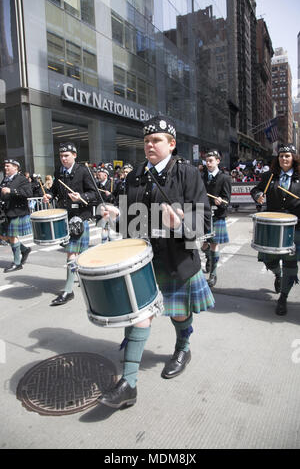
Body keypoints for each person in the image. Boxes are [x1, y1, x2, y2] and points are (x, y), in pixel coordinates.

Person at [96, 115, 215, 409]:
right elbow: (130, 222)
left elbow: (204, 219)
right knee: (139, 316)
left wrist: (182, 221)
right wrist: (116, 217)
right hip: (143, 260)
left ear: (171, 144)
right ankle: (129, 385)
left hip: (177, 258)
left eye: (157, 140)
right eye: (146, 140)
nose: (150, 145)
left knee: (178, 314)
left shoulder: (187, 174)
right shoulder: (135, 174)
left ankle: (183, 347)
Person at [42, 142, 97, 306]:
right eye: (61, 156)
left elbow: (94, 193)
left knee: (71, 252)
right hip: (65, 216)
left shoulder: (84, 171)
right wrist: (49, 196)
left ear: (74, 155)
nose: (63, 159)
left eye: (66, 155)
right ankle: (84, 277)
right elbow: (55, 190)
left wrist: (81, 196)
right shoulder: (58, 172)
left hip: (79, 216)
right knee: (81, 253)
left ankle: (67, 290)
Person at [250, 144, 300, 316]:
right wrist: (258, 196)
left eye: (287, 155)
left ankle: (283, 298)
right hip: (272, 224)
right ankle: (277, 274)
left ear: (294, 157)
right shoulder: (270, 176)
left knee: (290, 265)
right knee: (267, 259)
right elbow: (255, 189)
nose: (284, 159)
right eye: (281, 156)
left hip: (295, 227)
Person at [201, 150, 232, 287]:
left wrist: (222, 201)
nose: (208, 163)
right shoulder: (201, 176)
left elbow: (227, 200)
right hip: (203, 215)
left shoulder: (225, 178)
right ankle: (209, 257)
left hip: (217, 215)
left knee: (214, 244)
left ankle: (213, 273)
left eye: (211, 161)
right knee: (204, 246)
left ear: (218, 161)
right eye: (207, 161)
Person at [0, 159, 32, 272]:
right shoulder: (5, 179)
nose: (6, 168)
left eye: (8, 166)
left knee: (12, 236)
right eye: (5, 166)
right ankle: (24, 249)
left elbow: (28, 193)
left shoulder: (22, 179)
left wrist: (11, 191)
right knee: (3, 236)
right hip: (6, 212)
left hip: (17, 212)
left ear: (15, 167)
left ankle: (17, 263)